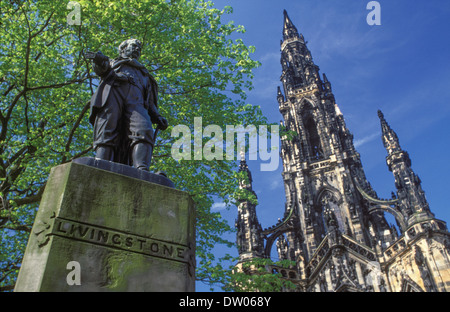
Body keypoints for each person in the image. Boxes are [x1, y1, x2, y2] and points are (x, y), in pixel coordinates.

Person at [86, 39, 168, 170]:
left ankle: (142, 169)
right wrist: (98, 59)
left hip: (137, 103)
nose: (137, 50)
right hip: (114, 95)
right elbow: (102, 68)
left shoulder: (145, 74)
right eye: (134, 46)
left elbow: (150, 100)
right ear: (123, 49)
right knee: (108, 128)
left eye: (139, 49)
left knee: (144, 129)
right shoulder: (114, 62)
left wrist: (157, 116)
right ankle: (100, 163)